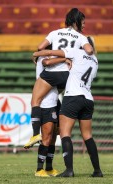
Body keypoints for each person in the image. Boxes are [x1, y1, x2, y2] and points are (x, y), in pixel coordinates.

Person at [33, 37, 103, 178]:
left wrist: (38, 53)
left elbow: (55, 52)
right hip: (88, 98)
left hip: (73, 97)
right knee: (88, 136)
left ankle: (69, 170)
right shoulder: (95, 61)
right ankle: (97, 171)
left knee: (65, 133)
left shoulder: (76, 52)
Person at [24, 8, 93, 149]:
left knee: (36, 100)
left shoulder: (54, 33)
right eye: (83, 23)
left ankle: (36, 134)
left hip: (53, 72)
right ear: (76, 22)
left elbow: (40, 47)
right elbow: (89, 50)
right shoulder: (81, 37)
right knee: (54, 98)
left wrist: (46, 54)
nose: (84, 25)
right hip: (68, 76)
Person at [33, 51, 60, 177]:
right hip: (46, 103)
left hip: (54, 101)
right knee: (47, 137)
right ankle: (39, 169)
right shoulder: (44, 58)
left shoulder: (51, 58)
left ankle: (49, 167)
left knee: (53, 137)